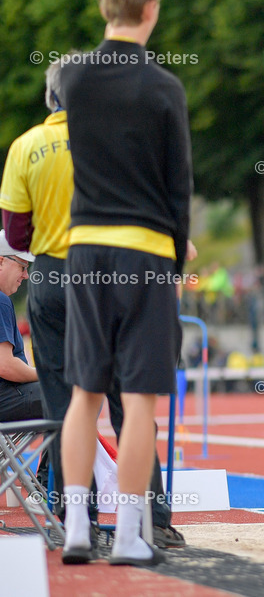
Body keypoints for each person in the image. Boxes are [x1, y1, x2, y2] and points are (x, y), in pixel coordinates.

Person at [0, 56, 186, 549]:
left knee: (66, 403)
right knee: (129, 401)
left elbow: (16, 234)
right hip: (113, 273)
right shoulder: (114, 139)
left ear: (50, 97)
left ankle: (69, 518)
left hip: (53, 276)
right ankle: (152, 519)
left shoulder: (26, 146)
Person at [59, 0, 192, 566]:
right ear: (151, 10)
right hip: (143, 251)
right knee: (138, 399)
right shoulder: (165, 87)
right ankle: (133, 531)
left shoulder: (76, 81)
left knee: (84, 391)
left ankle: (79, 525)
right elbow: (177, 187)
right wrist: (175, 252)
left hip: (84, 248)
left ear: (104, 6)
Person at [0, 232, 43, 421]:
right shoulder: (1, 300)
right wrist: (46, 375)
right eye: (22, 266)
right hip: (6, 397)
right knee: (83, 393)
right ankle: (59, 452)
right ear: (1, 261)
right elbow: (5, 366)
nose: (26, 275)